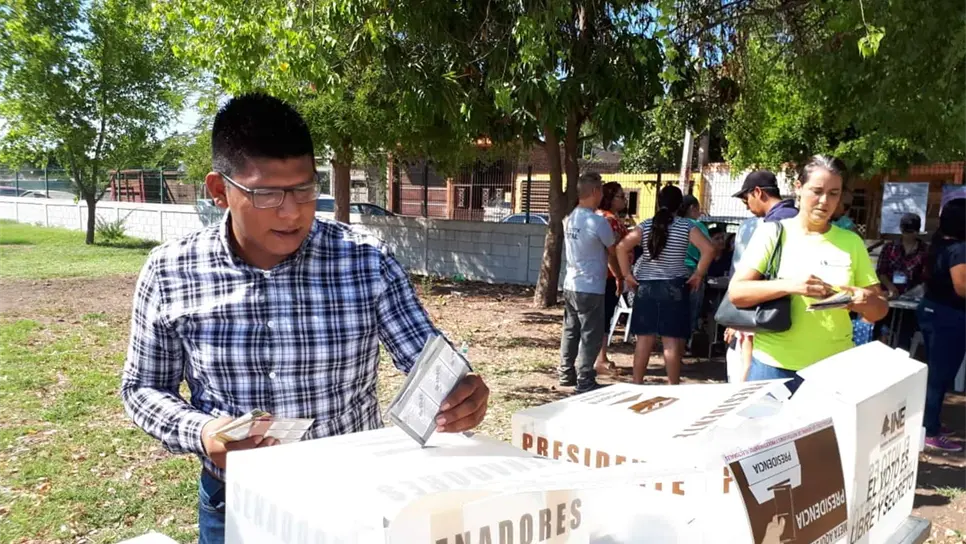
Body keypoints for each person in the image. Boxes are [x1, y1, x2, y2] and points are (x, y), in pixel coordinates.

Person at [119, 93, 490, 544]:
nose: (292, 212)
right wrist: (204, 432)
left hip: (352, 495)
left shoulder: (364, 260)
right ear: (219, 190)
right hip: (236, 499)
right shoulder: (170, 271)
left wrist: (460, 390)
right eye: (267, 194)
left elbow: (425, 356)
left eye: (304, 189)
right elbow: (143, 387)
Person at [728, 155, 887, 393]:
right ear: (799, 188)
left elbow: (879, 310)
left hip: (832, 369)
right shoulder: (773, 233)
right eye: (817, 191)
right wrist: (791, 285)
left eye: (834, 193)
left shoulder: (851, 242)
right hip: (773, 365)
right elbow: (737, 293)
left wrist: (864, 300)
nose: (824, 201)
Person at [616, 185, 714, 385]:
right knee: (671, 340)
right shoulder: (686, 226)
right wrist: (698, 274)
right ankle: (673, 385)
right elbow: (709, 249)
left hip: (646, 287)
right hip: (674, 287)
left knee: (644, 339)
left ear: (658, 202)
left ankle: (637, 383)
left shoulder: (646, 225)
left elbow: (621, 247)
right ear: (680, 205)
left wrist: (627, 275)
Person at [724, 171, 799, 383]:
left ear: (757, 192)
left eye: (745, 199)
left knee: (748, 376)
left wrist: (738, 321)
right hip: (792, 312)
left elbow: (757, 275)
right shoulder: (795, 217)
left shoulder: (774, 225)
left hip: (772, 313)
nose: (746, 206)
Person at [559, 172, 618, 393]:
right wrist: (620, 276)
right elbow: (612, 252)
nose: (602, 194)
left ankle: (566, 373)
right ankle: (585, 379)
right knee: (590, 334)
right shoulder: (598, 222)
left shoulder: (570, 218)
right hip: (591, 286)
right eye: (601, 189)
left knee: (571, 330)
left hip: (571, 283)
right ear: (594, 191)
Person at [917, 197, 966, 452]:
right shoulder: (960, 249)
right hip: (948, 316)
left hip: (932, 309)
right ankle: (930, 431)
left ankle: (931, 420)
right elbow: (961, 287)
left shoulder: (937, 242)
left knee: (937, 372)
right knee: (940, 375)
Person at [595, 181, 629, 375]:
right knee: (604, 317)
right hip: (609, 275)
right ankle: (600, 359)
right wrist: (619, 275)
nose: (625, 200)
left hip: (600, 274)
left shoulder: (600, 217)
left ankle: (600, 357)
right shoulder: (609, 220)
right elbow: (612, 251)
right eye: (620, 196)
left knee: (601, 316)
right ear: (609, 198)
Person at [679, 195, 713, 336]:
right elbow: (709, 249)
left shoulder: (674, 224)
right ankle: (687, 341)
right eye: (698, 209)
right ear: (692, 208)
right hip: (693, 270)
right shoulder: (696, 226)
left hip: (673, 270)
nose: (700, 213)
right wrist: (700, 274)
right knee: (691, 311)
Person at [877, 213, 928, 299]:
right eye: (905, 231)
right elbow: (881, 272)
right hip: (889, 293)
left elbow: (925, 277)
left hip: (913, 295)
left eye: (910, 232)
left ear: (917, 231)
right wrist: (890, 287)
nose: (907, 235)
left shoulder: (925, 250)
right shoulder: (889, 247)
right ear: (901, 229)